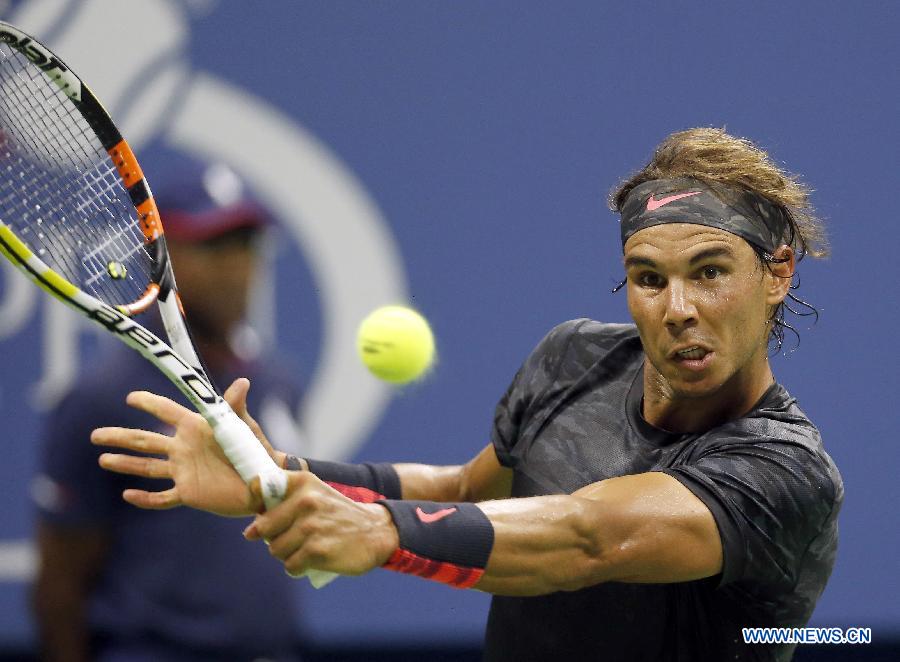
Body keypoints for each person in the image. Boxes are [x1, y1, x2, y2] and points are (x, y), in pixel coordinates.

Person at [92, 128, 842, 661]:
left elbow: (588, 537)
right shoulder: (574, 360)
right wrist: (283, 476)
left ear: (778, 274)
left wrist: (384, 533)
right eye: (649, 278)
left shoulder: (785, 474)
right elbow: (463, 491)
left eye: (709, 272)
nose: (677, 307)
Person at [31, 154, 307, 662]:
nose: (237, 267)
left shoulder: (278, 382)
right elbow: (60, 586)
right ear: (162, 255)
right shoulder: (102, 398)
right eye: (213, 245)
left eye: (246, 245)